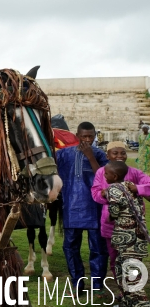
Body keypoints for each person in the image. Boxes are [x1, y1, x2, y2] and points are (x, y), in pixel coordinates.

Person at [56, 121, 109, 292]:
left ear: (94, 136)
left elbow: (105, 179)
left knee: (98, 248)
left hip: (95, 207)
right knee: (70, 248)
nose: (87, 139)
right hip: (71, 206)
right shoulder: (64, 154)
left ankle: (97, 284)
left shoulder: (100, 154)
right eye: (84, 136)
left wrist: (91, 157)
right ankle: (77, 282)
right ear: (77, 136)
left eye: (90, 136)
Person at [91, 141, 150, 276]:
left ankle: (134, 291)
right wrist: (107, 194)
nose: (120, 156)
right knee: (115, 260)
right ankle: (123, 291)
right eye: (115, 153)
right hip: (110, 225)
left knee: (133, 260)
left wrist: (138, 188)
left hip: (133, 226)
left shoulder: (134, 172)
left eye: (123, 153)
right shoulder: (102, 172)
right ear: (108, 156)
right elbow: (95, 193)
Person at [104, 160, 150, 306]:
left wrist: (111, 215)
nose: (104, 176)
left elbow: (115, 211)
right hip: (139, 235)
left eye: (106, 173)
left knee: (131, 274)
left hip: (126, 237)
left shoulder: (113, 189)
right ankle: (127, 301)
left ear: (115, 176)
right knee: (122, 267)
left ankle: (142, 303)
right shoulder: (131, 186)